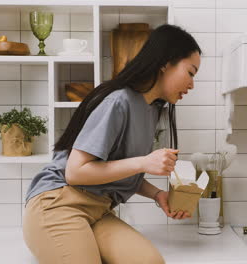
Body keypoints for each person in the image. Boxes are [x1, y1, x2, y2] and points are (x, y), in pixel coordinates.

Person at [23, 24, 201, 264]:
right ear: (166, 63)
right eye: (190, 72)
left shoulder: (151, 109)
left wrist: (157, 194)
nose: (192, 84)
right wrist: (144, 162)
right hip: (58, 204)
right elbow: (75, 173)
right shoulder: (118, 101)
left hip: (99, 210)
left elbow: (115, 169)